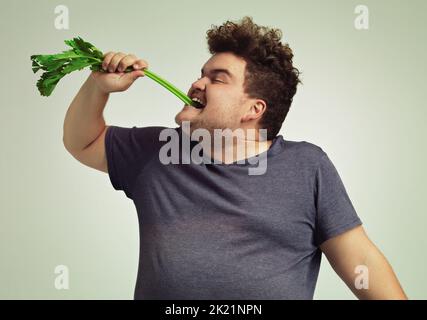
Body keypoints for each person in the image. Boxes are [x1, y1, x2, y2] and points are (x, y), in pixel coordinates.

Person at [62, 16, 407, 299]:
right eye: (201, 73)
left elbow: (362, 259)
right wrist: (98, 87)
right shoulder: (155, 150)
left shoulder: (308, 166)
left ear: (253, 109)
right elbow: (83, 141)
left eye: (217, 79)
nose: (197, 83)